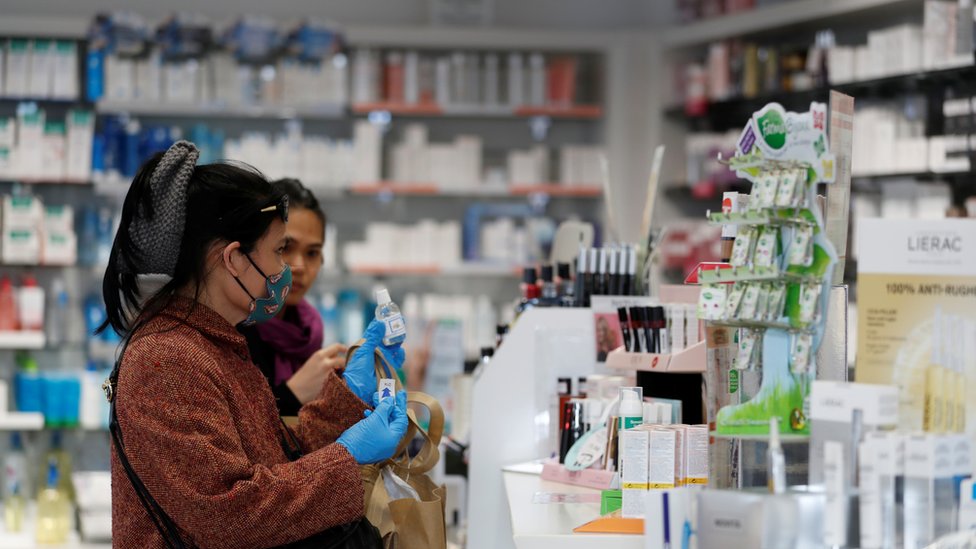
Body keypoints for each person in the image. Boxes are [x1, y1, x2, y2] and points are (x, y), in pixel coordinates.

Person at [100, 141, 407, 548]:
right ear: (233, 259)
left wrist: (347, 399)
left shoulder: (214, 344)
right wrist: (347, 457)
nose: (288, 270)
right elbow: (232, 514)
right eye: (280, 250)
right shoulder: (168, 359)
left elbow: (274, 462)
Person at [240, 178, 346, 415]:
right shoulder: (236, 329)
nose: (299, 266)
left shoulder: (309, 331)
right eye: (285, 247)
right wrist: (293, 393)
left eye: (312, 253)